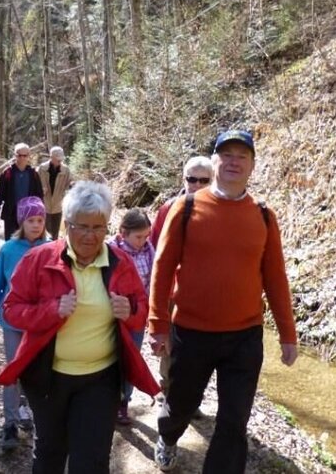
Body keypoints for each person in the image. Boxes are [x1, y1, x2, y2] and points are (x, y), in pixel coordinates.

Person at [148, 130, 298, 473]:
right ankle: (168, 437)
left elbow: (275, 277)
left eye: (241, 156)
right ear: (214, 162)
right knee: (181, 406)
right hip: (191, 330)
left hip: (245, 336)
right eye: (226, 154)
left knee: (234, 421)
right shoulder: (185, 208)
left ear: (252, 166)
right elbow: (163, 267)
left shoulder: (263, 215)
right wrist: (158, 325)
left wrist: (287, 334)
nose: (233, 161)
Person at [0, 181, 160, 474]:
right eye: (82, 226)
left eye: (98, 226)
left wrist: (130, 310)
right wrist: (51, 310)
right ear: (66, 225)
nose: (90, 235)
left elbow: (141, 306)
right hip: (48, 378)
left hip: (100, 379)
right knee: (50, 454)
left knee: (92, 460)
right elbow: (10, 310)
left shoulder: (120, 263)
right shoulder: (39, 259)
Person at [0, 196, 50, 451]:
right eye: (31, 220)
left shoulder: (52, 248)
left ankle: (27, 412)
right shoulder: (9, 249)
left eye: (40, 220)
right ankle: (9, 423)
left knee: (36, 371)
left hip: (40, 323)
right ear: (22, 221)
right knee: (13, 372)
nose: (36, 225)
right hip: (12, 322)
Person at [149, 156, 214, 416]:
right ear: (183, 179)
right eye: (191, 179)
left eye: (203, 180)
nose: (196, 185)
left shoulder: (221, 211)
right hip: (173, 291)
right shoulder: (169, 209)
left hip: (207, 294)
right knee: (171, 347)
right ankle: (168, 394)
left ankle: (191, 399)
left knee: (201, 350)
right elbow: (154, 251)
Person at [107, 208, 154, 425]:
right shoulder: (111, 251)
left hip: (137, 316)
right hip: (112, 316)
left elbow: (152, 281)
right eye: (138, 237)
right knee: (111, 358)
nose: (143, 241)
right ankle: (106, 399)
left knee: (131, 358)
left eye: (146, 236)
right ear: (123, 232)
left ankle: (123, 402)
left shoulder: (149, 251)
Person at [0, 143, 44, 240]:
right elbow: (0, 193)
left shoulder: (33, 174)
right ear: (14, 155)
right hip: (11, 214)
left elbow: (39, 195)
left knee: (27, 243)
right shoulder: (7, 172)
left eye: (24, 155)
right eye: (19, 155)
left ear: (28, 156)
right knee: (10, 242)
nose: (22, 158)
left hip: (28, 215)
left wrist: (40, 212)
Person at [37, 146, 72, 240]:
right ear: (51, 157)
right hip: (44, 205)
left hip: (58, 206)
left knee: (55, 234)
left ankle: (54, 253)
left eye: (61, 159)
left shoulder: (66, 170)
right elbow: (35, 185)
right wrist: (40, 190)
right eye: (57, 159)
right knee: (43, 233)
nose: (60, 161)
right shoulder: (42, 169)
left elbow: (69, 185)